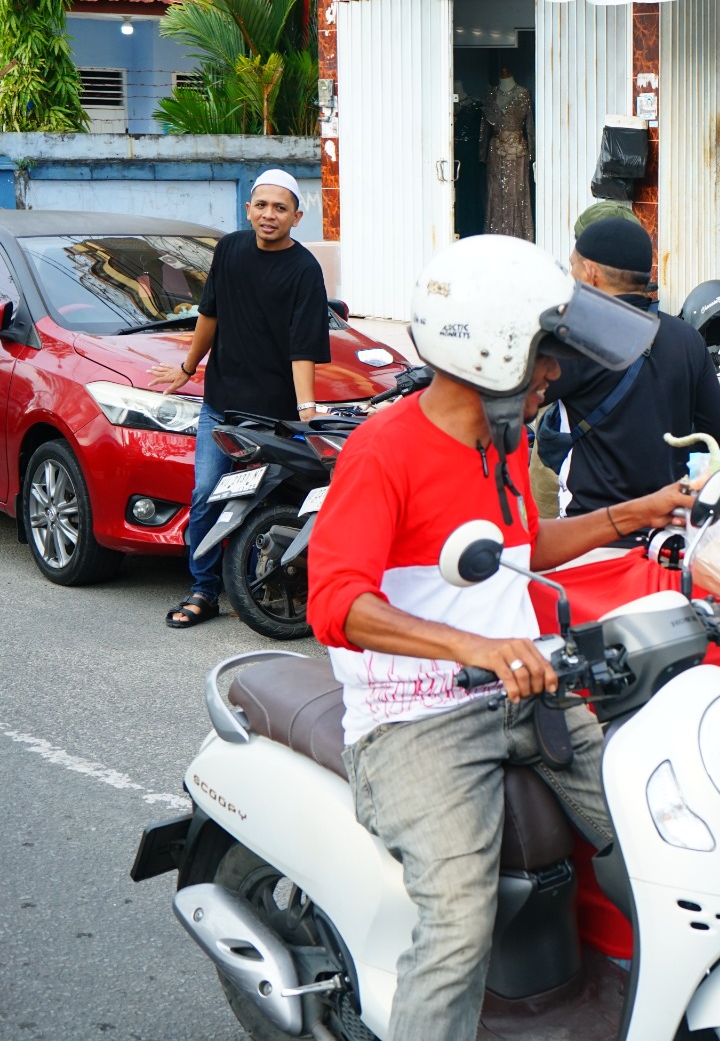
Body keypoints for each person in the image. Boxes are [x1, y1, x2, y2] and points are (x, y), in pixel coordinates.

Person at [307, 235, 691, 1041]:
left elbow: (518, 547)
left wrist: (632, 514)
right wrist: (472, 648)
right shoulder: (382, 452)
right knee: (458, 926)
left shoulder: (503, 438)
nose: (554, 372)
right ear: (489, 353)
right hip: (416, 721)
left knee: (673, 842)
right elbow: (336, 603)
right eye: (544, 354)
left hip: (529, 692)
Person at [148, 168, 329, 629]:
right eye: (262, 205)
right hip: (222, 406)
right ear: (248, 210)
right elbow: (209, 314)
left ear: (297, 217)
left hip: (276, 415)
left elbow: (303, 348)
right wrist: (188, 367)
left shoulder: (305, 270)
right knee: (207, 494)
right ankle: (203, 590)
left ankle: (266, 584)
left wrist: (306, 412)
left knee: (275, 500)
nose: (270, 215)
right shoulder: (229, 249)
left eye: (281, 208)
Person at [540, 217, 720, 525]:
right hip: (668, 524)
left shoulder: (577, 335)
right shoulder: (686, 337)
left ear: (590, 273)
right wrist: (662, 442)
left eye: (572, 266)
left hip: (590, 527)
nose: (571, 276)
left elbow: (519, 403)